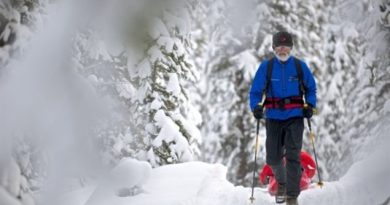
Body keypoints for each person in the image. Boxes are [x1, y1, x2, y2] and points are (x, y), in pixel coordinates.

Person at [249, 31, 317, 205]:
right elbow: (256, 91)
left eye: (286, 46)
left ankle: (292, 196)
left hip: (295, 116)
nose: (282, 49)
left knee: (293, 156)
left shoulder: (300, 67)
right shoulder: (267, 67)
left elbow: (311, 88)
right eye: (279, 46)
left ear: (291, 48)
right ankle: (281, 182)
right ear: (273, 48)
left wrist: (310, 105)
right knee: (273, 157)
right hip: (273, 117)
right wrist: (256, 106)